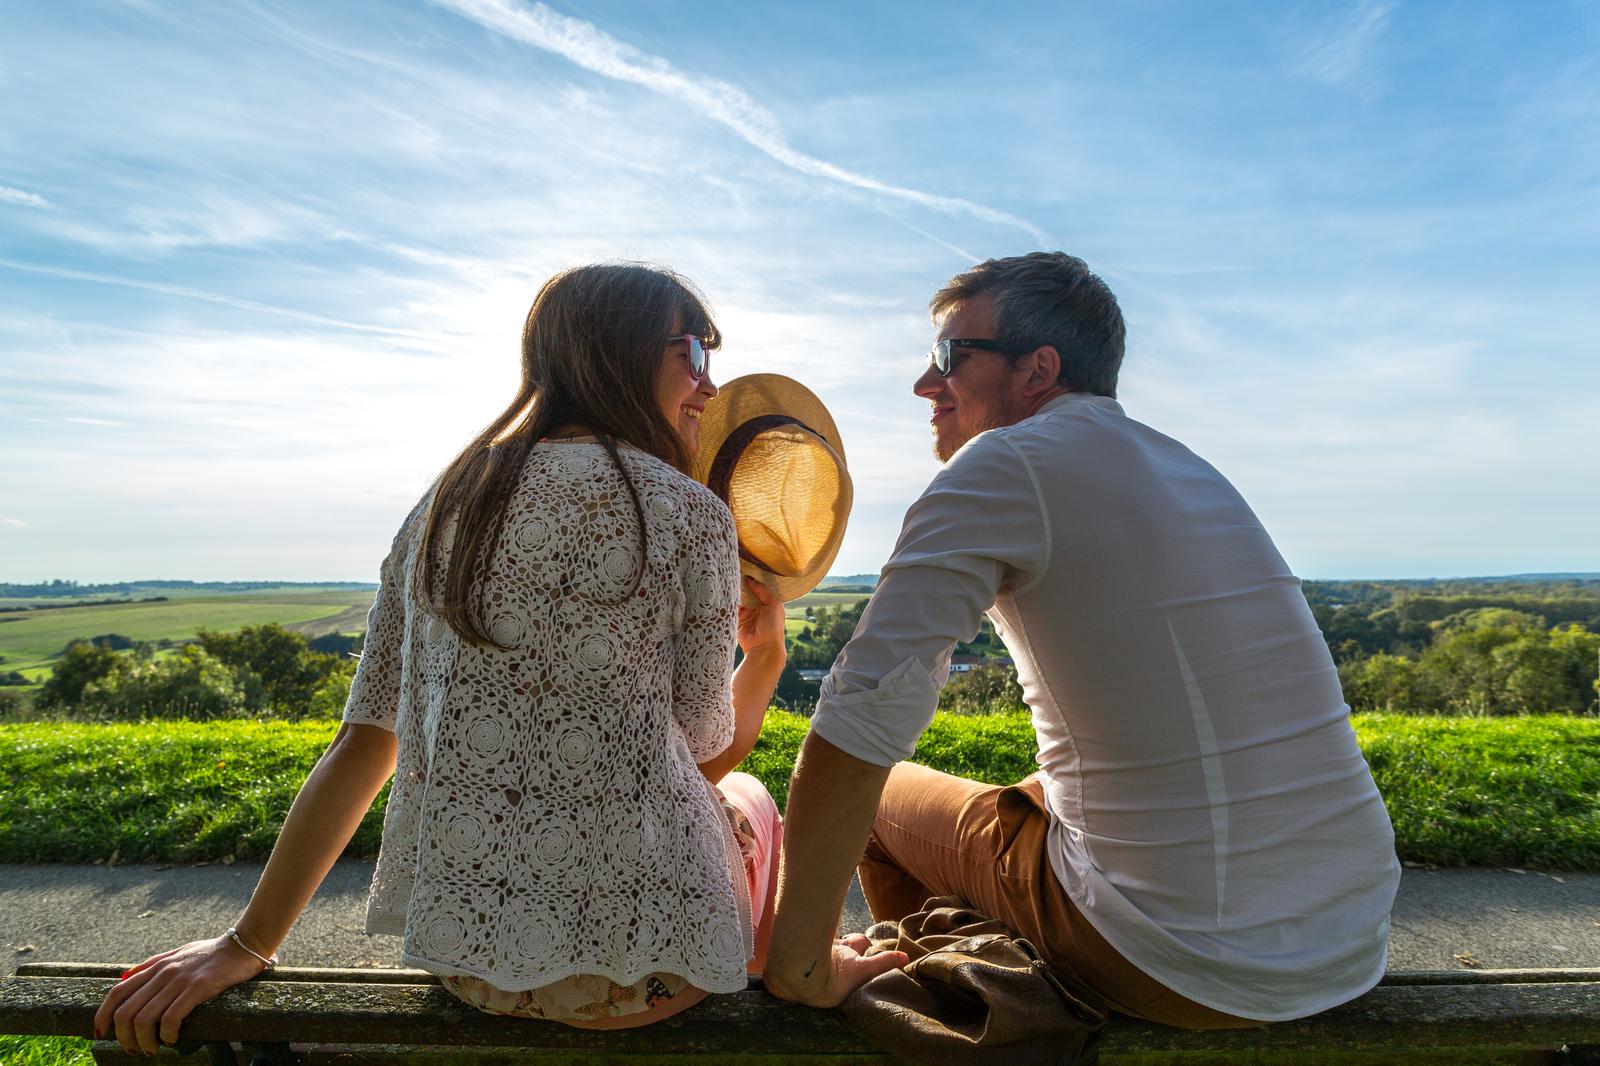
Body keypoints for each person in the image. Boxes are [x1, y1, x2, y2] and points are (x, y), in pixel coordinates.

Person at [95, 262, 841, 1055]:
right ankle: (766, 998)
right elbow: (699, 761)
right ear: (616, 352)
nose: (706, 383)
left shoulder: (448, 501)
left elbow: (364, 740)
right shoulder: (689, 512)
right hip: (646, 985)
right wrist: (762, 666)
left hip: (473, 970)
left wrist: (245, 945)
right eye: (691, 352)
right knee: (753, 802)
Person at [764, 252, 1402, 1026]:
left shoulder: (1001, 463)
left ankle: (892, 991)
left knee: (882, 800)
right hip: (1349, 935)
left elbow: (859, 719)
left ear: (1038, 370)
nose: (925, 385)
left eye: (948, 357)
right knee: (1024, 798)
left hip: (1184, 956)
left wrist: (793, 963)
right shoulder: (1192, 470)